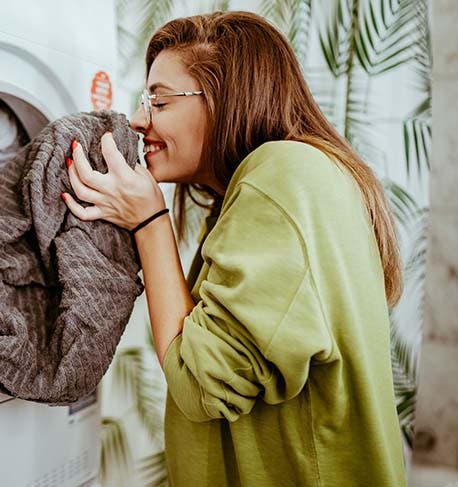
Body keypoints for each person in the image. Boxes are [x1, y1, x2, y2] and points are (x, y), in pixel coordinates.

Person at [61, 10, 406, 487]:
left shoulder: (283, 174)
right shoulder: (279, 183)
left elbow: (199, 383)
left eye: (159, 101)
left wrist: (150, 222)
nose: (139, 121)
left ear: (225, 97)